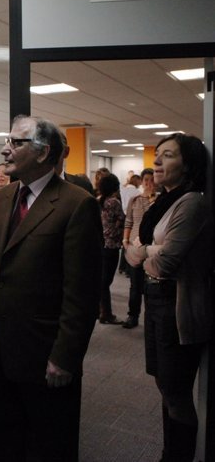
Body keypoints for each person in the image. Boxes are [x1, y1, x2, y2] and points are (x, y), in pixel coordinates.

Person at [0, 115, 102, 462]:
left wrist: (65, 356)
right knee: (2, 444)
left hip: (46, 356)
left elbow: (82, 292)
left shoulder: (77, 204)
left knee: (48, 447)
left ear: (43, 153)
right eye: (7, 141)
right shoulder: (0, 199)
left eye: (16, 142)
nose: (5, 149)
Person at [125, 133, 213, 462]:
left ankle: (177, 456)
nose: (157, 161)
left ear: (188, 165)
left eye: (169, 155)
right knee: (164, 385)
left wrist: (145, 251)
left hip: (177, 303)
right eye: (157, 154)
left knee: (176, 391)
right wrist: (147, 250)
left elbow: (164, 263)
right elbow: (132, 252)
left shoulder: (192, 202)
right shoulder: (163, 202)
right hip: (156, 297)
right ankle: (168, 453)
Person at [121, 168, 155, 329]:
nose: (149, 183)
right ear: (141, 181)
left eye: (152, 180)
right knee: (135, 285)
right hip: (134, 248)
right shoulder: (134, 200)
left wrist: (152, 200)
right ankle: (132, 316)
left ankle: (151, 319)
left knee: (150, 287)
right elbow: (128, 222)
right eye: (146, 180)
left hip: (151, 249)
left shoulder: (159, 200)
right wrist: (125, 241)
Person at [97, 173, 125, 324]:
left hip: (101, 244)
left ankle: (100, 310)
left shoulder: (99, 201)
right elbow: (122, 220)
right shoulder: (114, 202)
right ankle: (106, 314)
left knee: (101, 279)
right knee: (106, 281)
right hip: (112, 246)